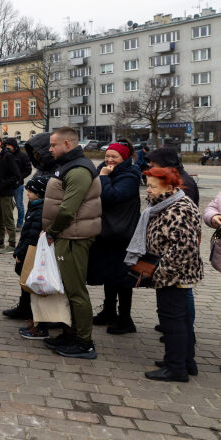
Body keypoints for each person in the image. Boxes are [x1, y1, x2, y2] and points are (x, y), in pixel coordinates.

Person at [126, 167, 203, 381]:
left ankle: (176, 367)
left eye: (152, 186)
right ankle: (185, 361)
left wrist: (161, 272)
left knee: (173, 320)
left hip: (174, 273)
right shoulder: (165, 203)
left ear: (169, 187)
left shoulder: (179, 207)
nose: (148, 190)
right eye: (147, 185)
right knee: (180, 319)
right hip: (171, 272)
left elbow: (184, 247)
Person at [42, 127, 102, 359]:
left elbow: (68, 207)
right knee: (69, 288)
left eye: (53, 145)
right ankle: (71, 333)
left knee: (76, 290)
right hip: (68, 235)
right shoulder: (70, 166)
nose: (50, 149)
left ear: (67, 144)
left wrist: (53, 231)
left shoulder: (78, 169)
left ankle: (84, 342)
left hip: (73, 236)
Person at [88, 141, 141, 335]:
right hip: (107, 231)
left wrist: (103, 177)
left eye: (114, 157)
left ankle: (125, 318)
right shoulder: (106, 171)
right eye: (107, 156)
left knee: (122, 277)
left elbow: (111, 196)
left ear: (124, 158)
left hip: (122, 234)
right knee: (108, 274)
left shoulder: (130, 176)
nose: (109, 160)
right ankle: (109, 311)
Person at [9, 175, 49, 337]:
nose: (27, 193)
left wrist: (20, 252)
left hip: (30, 253)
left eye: (30, 191)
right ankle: (25, 311)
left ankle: (34, 318)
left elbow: (31, 236)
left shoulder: (40, 210)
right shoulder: (35, 206)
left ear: (39, 193)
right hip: (27, 251)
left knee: (30, 283)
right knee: (25, 282)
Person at [0, 135, 21, 253]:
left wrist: (5, 183)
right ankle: (0, 242)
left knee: (8, 219)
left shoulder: (8, 156)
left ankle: (12, 244)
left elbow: (17, 176)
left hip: (6, 193)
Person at [4, 138, 32, 230]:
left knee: (19, 205)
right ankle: (8, 224)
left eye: (9, 145)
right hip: (7, 184)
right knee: (7, 205)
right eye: (6, 145)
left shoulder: (22, 156)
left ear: (14, 146)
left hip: (17, 185)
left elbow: (28, 170)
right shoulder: (5, 155)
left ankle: (20, 224)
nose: (7, 147)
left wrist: (19, 177)